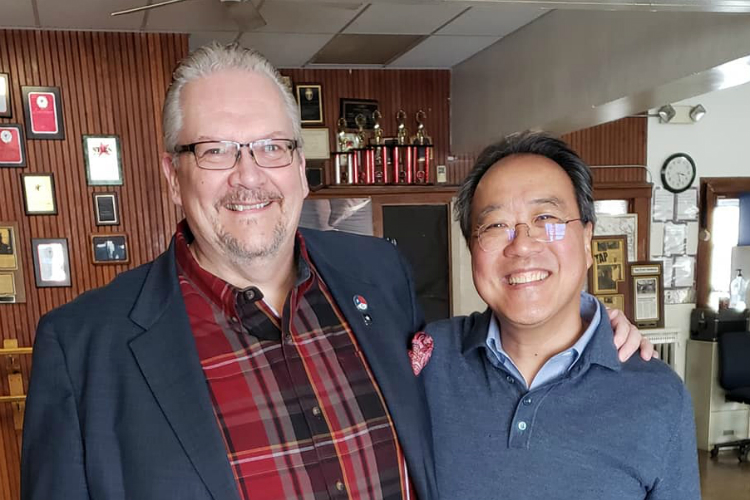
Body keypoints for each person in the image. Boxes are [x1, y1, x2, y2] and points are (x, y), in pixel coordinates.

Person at [21, 44, 650, 500]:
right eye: (215, 151)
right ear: (171, 175)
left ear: (299, 166)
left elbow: (475, 351)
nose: (248, 177)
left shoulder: (376, 274)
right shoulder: (84, 351)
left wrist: (587, 325)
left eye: (271, 146)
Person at [422, 132, 699, 500]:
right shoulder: (425, 360)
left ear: (587, 241)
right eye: (495, 225)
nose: (521, 244)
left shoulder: (658, 394)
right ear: (472, 248)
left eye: (546, 218)